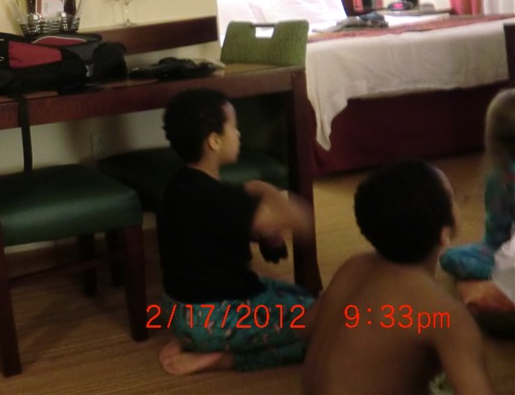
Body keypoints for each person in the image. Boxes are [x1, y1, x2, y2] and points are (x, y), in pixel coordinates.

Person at [156, 87, 317, 375]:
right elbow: (302, 220)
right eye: (234, 127)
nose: (239, 134)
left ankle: (193, 340)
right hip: (217, 318)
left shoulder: (175, 186)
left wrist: (258, 231)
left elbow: (208, 233)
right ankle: (224, 358)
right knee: (328, 328)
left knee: (300, 295)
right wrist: (263, 188)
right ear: (214, 141)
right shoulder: (226, 199)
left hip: (180, 312)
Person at [302, 159, 494, 395]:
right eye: (453, 196)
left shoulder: (352, 267)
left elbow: (304, 326)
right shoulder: (444, 314)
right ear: (444, 235)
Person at [440, 87, 515, 332]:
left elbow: (496, 236)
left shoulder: (500, 178)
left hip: (508, 255)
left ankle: (495, 287)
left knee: (449, 257)